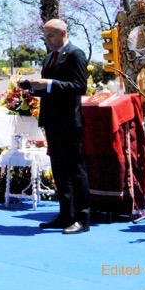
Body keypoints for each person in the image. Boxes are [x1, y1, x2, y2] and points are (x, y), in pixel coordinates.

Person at [22, 19, 90, 234]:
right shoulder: (49, 58)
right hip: (52, 119)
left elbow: (79, 86)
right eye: (45, 36)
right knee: (59, 169)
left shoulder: (75, 54)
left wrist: (49, 83)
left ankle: (82, 218)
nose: (48, 40)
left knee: (74, 169)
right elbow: (50, 90)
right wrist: (33, 88)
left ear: (62, 33)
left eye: (51, 35)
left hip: (69, 120)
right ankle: (65, 214)